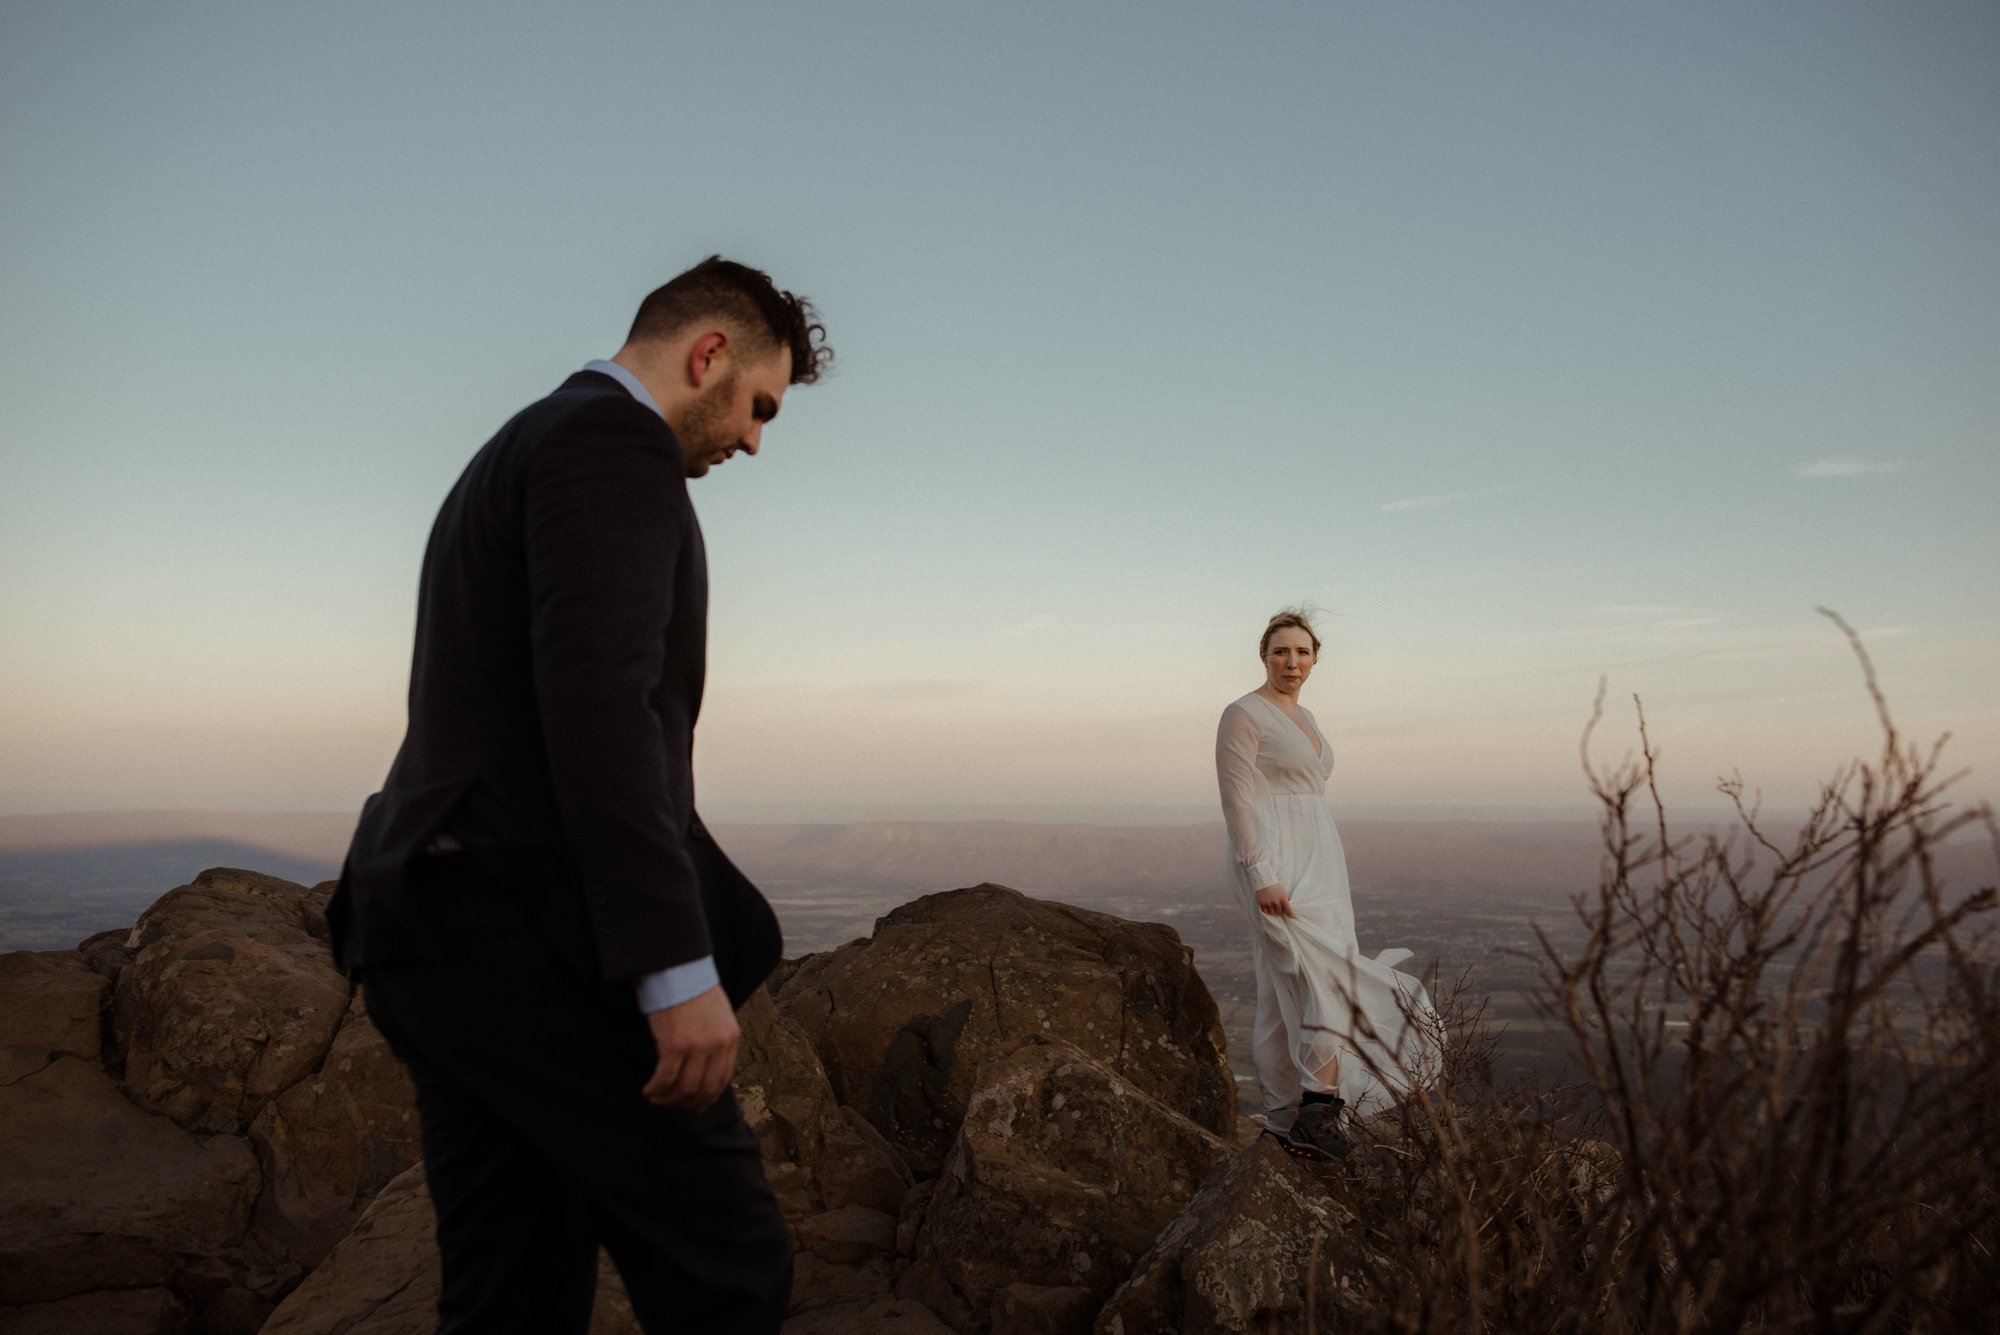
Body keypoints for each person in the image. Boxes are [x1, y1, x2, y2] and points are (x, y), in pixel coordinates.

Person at [326, 256, 832, 1333]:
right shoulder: (610, 446)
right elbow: (602, 711)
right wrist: (670, 966)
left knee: (513, 1282)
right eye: (757, 406)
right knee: (726, 1259)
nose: (751, 440)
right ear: (708, 355)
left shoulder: (520, 444)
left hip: (428, 931)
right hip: (524, 934)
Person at [1215, 608, 1439, 1160]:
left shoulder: (1307, 717)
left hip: (1320, 854)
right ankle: (1319, 1108)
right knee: (1317, 978)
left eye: (1302, 652)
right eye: (1280, 652)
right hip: (1275, 856)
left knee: (1278, 991)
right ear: (1263, 656)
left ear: (1315, 659)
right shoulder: (1243, 714)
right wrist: (1261, 873)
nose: (1292, 662)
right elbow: (1238, 800)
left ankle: (1283, 1118)